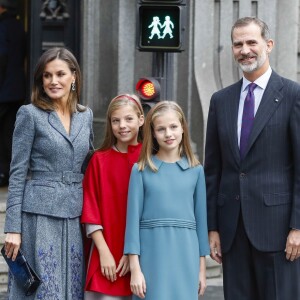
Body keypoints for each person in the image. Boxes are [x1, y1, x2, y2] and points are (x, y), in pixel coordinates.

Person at [205, 17, 300, 300]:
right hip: (233, 232)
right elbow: (213, 170)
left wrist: (298, 226)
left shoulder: (292, 95)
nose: (244, 50)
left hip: (279, 232)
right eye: (238, 44)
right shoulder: (220, 100)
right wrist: (213, 228)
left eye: (251, 42)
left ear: (268, 45)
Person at [3, 47, 94, 299]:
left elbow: (90, 164)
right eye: (47, 75)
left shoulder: (86, 116)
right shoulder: (30, 114)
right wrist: (12, 228)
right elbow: (18, 172)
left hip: (75, 213)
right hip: (39, 215)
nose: (53, 81)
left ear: (73, 76)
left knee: (73, 288)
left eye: (60, 74)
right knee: (46, 290)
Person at [124, 101, 210, 300]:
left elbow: (201, 223)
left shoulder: (196, 171)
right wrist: (135, 269)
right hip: (151, 255)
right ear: (153, 133)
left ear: (182, 129)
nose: (168, 134)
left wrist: (201, 270)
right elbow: (132, 224)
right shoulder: (140, 170)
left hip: (186, 254)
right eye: (161, 129)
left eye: (173, 127)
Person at [81, 94, 144, 300]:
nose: (122, 126)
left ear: (141, 120)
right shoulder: (99, 160)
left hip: (144, 251)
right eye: (115, 120)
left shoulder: (150, 159)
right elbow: (90, 210)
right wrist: (103, 252)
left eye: (128, 119)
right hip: (106, 250)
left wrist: (132, 254)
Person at [0, 0, 26, 187]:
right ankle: (9, 173)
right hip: (17, 88)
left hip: (3, 90)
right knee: (10, 133)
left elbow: (2, 57)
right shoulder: (19, 26)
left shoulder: (2, 26)